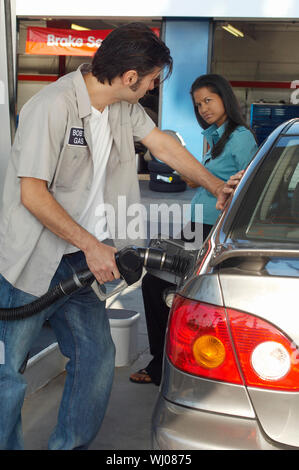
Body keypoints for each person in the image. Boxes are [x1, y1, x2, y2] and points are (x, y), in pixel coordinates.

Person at [0, 24, 234, 450]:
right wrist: (92, 245)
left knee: (96, 360)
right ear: (130, 77)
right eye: (150, 81)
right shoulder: (52, 106)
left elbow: (163, 145)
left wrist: (216, 187)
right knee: (7, 372)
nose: (150, 88)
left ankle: (68, 446)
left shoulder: (123, 109)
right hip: (32, 262)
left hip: (82, 262)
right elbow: (32, 194)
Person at [130, 73, 258, 386]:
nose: (203, 108)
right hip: (196, 227)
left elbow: (246, 189)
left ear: (225, 98)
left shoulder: (240, 137)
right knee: (165, 287)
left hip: (211, 230)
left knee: (157, 285)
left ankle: (162, 366)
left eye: (208, 101)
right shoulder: (218, 137)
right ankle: (166, 363)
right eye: (198, 104)